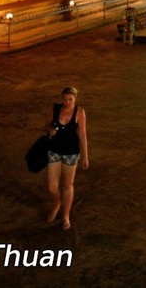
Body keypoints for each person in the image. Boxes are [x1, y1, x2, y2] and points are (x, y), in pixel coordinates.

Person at [43, 86, 89, 231]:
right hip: (54, 150)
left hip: (71, 152)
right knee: (52, 187)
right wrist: (49, 129)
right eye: (64, 99)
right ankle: (57, 203)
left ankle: (66, 216)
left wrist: (86, 156)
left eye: (70, 100)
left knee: (67, 185)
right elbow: (46, 124)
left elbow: (82, 134)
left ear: (75, 99)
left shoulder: (79, 112)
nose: (67, 102)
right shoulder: (56, 109)